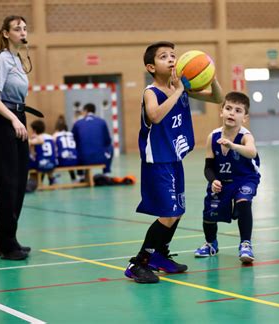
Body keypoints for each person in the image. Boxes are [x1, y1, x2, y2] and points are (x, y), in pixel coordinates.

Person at [124, 41, 223, 284]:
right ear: (150, 66)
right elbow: (155, 116)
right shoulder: (152, 92)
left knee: (177, 211)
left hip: (174, 159)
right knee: (168, 214)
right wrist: (179, 90)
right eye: (164, 57)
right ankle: (138, 263)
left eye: (173, 56)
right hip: (157, 160)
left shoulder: (182, 89)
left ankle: (159, 255)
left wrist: (210, 73)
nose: (171, 60)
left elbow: (218, 97)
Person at [0, 16, 37, 260]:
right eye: (17, 28)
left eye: (25, 28)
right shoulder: (0, 59)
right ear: (6, 33)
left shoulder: (17, 58)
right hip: (3, 124)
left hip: (18, 120)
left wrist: (19, 119)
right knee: (7, 186)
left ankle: (6, 239)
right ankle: (7, 245)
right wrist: (14, 119)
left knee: (19, 184)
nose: (22, 31)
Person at [194, 91, 260, 264]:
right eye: (228, 108)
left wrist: (232, 145)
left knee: (243, 201)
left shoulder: (246, 136)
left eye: (238, 110)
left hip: (245, 178)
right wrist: (213, 180)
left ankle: (245, 243)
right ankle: (211, 244)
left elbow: (252, 152)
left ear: (244, 117)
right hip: (222, 180)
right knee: (209, 213)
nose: (232, 113)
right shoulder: (213, 136)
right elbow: (208, 166)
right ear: (221, 111)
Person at [72, 103, 113, 175]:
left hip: (83, 160)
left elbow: (73, 141)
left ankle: (80, 175)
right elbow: (108, 141)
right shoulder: (102, 122)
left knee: (76, 147)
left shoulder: (78, 123)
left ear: (85, 111)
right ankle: (106, 172)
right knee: (110, 147)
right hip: (100, 158)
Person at [29, 120, 57, 185]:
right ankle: (51, 179)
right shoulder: (51, 137)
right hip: (53, 164)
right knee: (47, 159)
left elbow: (33, 154)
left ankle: (34, 181)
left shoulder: (35, 139)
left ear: (34, 130)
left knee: (31, 160)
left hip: (42, 165)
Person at [53, 115, 78, 182]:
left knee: (55, 155)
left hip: (62, 161)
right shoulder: (71, 134)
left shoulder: (56, 135)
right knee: (70, 155)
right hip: (75, 160)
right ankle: (74, 178)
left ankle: (53, 178)